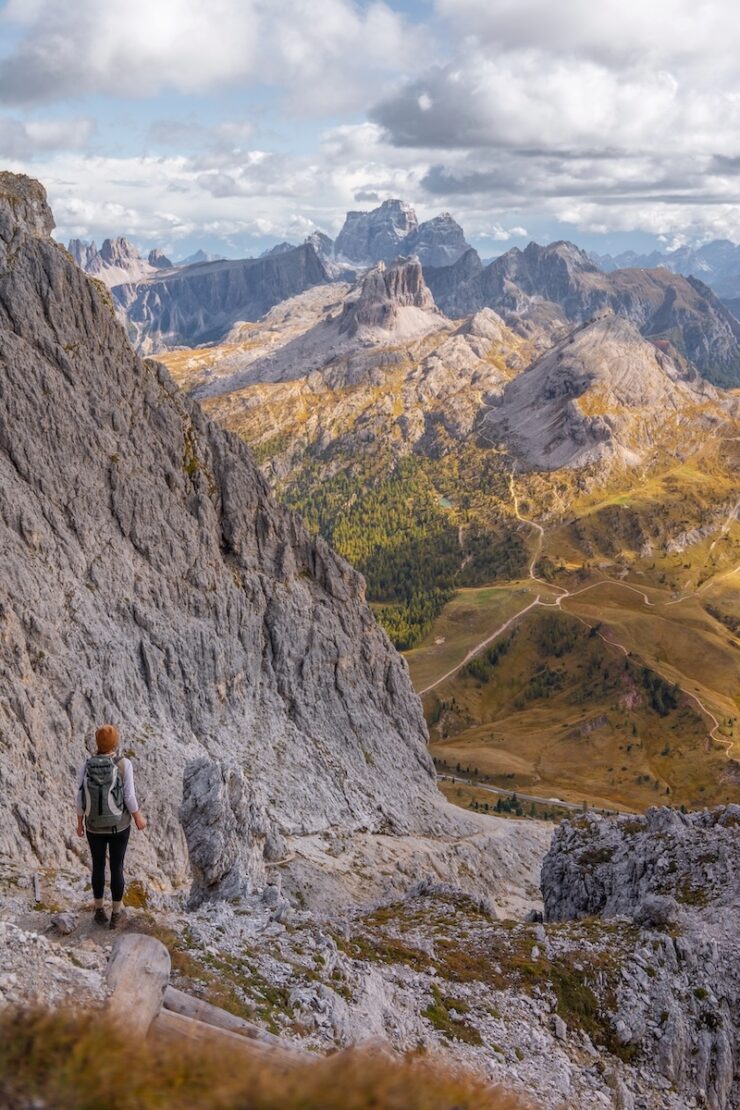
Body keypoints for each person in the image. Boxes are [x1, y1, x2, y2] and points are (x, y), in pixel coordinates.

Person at [76, 724, 147, 929]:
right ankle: (116, 914)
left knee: (98, 865)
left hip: (93, 827)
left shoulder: (86, 765)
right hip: (119, 826)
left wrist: (79, 823)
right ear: (115, 743)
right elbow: (129, 796)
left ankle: (99, 911)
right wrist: (138, 818)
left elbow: (79, 797)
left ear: (97, 744)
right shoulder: (124, 764)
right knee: (117, 866)